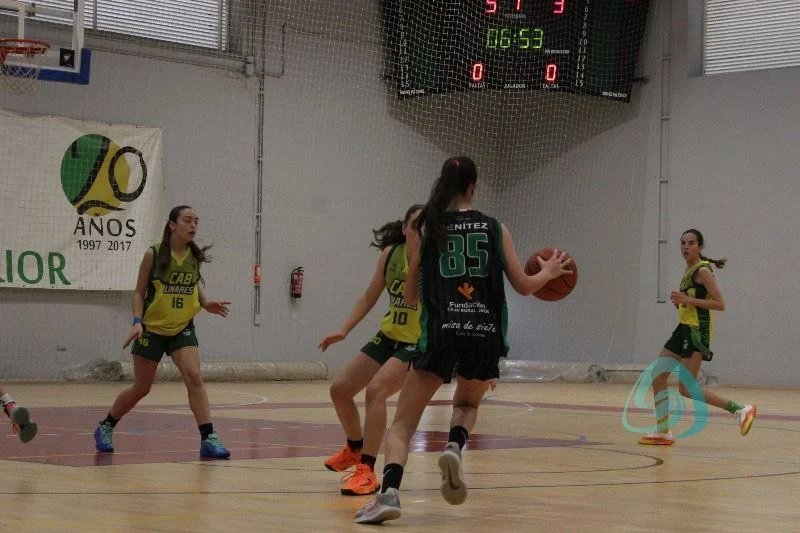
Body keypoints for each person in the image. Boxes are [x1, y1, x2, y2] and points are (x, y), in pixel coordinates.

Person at [354, 156, 572, 524]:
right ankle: (454, 445)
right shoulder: (495, 227)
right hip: (484, 333)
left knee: (403, 424)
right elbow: (523, 286)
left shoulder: (426, 226)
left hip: (441, 330)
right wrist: (549, 272)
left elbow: (411, 296)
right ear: (474, 186)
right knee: (468, 404)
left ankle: (389, 493)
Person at [93, 205, 232, 458]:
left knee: (194, 376)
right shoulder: (154, 254)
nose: (193, 225)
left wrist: (205, 302)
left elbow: (193, 283)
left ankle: (208, 438)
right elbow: (139, 292)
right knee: (141, 388)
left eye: (196, 221)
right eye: (188, 220)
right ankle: (106, 425)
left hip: (182, 327)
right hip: (152, 329)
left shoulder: (193, 255)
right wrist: (137, 321)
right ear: (172, 225)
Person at [319, 204, 425, 496]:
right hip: (388, 336)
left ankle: (367, 471)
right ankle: (355, 448)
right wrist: (344, 330)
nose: (421, 231)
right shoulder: (391, 254)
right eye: (416, 225)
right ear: (404, 228)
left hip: (417, 343)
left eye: (426, 226)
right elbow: (369, 296)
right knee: (340, 390)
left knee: (376, 391)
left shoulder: (436, 260)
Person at [638, 229, 756, 445]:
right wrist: (682, 303)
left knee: (686, 388)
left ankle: (740, 410)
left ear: (699, 247)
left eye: (691, 243)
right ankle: (663, 431)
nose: (686, 247)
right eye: (683, 243)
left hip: (696, 332)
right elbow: (694, 302)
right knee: (658, 374)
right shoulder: (689, 270)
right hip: (683, 328)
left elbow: (720, 304)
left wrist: (688, 300)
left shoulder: (702, 271)